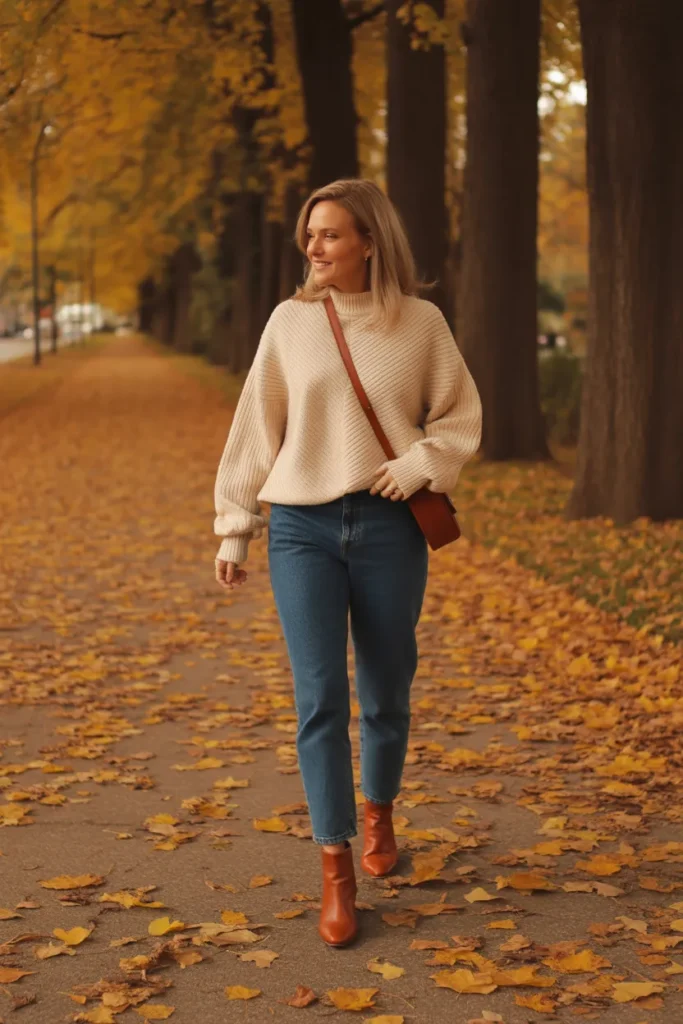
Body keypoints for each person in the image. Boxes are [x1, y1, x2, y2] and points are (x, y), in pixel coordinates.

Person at [213, 178, 482, 948]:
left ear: (369, 240)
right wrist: (235, 526)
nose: (314, 246)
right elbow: (255, 427)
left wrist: (422, 462)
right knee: (320, 697)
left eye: (329, 233)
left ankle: (379, 812)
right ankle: (335, 868)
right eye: (310, 234)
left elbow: (459, 416)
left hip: (391, 527)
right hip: (302, 527)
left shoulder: (420, 324)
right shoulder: (290, 322)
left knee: (387, 689)